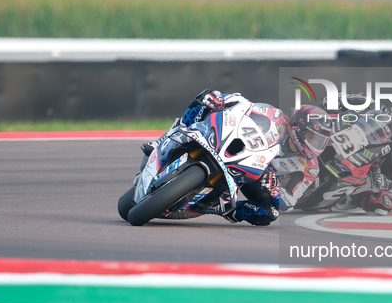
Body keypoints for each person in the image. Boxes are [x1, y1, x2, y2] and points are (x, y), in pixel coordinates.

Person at [141, 89, 332, 225]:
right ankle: (165, 138)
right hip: (240, 148)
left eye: (319, 141)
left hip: (257, 179)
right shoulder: (276, 116)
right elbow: (245, 105)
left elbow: (289, 202)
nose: (315, 144)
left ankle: (223, 210)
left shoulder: (310, 168)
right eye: (312, 137)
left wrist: (274, 189)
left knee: (269, 214)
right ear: (299, 127)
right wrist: (221, 100)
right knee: (204, 98)